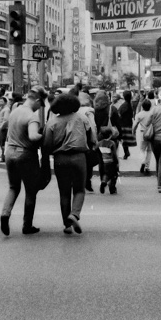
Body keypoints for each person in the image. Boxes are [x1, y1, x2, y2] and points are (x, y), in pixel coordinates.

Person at [43, 92, 94, 234]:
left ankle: (66, 225)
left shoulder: (52, 122)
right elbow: (92, 138)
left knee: (64, 192)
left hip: (60, 159)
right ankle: (75, 214)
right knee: (79, 189)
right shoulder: (83, 118)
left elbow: (47, 145)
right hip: (79, 157)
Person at [0, 87, 45, 236]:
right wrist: (43, 136)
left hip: (10, 153)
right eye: (41, 104)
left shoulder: (14, 111)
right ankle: (27, 226)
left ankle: (5, 214)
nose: (40, 107)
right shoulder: (32, 116)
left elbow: (6, 128)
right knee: (30, 192)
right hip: (25, 155)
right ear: (37, 100)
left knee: (13, 187)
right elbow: (33, 136)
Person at [132, 98, 154, 175]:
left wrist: (133, 132)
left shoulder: (139, 115)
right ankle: (147, 167)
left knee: (142, 149)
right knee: (149, 150)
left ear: (142, 106)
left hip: (143, 133)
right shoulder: (152, 114)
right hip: (151, 133)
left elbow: (135, 125)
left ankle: (143, 162)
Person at [97, 126, 119, 194]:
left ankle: (103, 182)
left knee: (106, 174)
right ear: (110, 135)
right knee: (113, 175)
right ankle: (112, 189)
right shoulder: (112, 143)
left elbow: (97, 151)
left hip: (104, 162)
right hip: (111, 162)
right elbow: (114, 154)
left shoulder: (99, 143)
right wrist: (116, 162)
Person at [117, 90, 135, 159]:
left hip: (123, 124)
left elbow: (120, 113)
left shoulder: (125, 105)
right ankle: (126, 152)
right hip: (128, 123)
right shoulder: (129, 104)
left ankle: (126, 153)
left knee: (123, 139)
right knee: (124, 140)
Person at [0, 97, 11, 162]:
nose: (0, 102)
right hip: (1, 128)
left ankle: (4, 157)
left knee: (3, 143)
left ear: (5, 102)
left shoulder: (6, 109)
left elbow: (6, 120)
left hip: (4, 129)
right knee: (1, 143)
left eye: (1, 101)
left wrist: (1, 127)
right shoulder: (3, 109)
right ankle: (2, 155)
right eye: (0, 101)